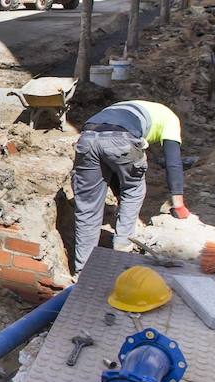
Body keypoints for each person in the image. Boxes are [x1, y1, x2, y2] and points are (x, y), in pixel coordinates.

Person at [72, 99, 191, 274]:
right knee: (133, 189)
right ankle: (122, 248)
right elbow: (173, 162)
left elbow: (110, 167)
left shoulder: (122, 107)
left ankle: (82, 271)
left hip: (87, 137)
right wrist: (178, 204)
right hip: (122, 139)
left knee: (87, 206)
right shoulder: (171, 119)